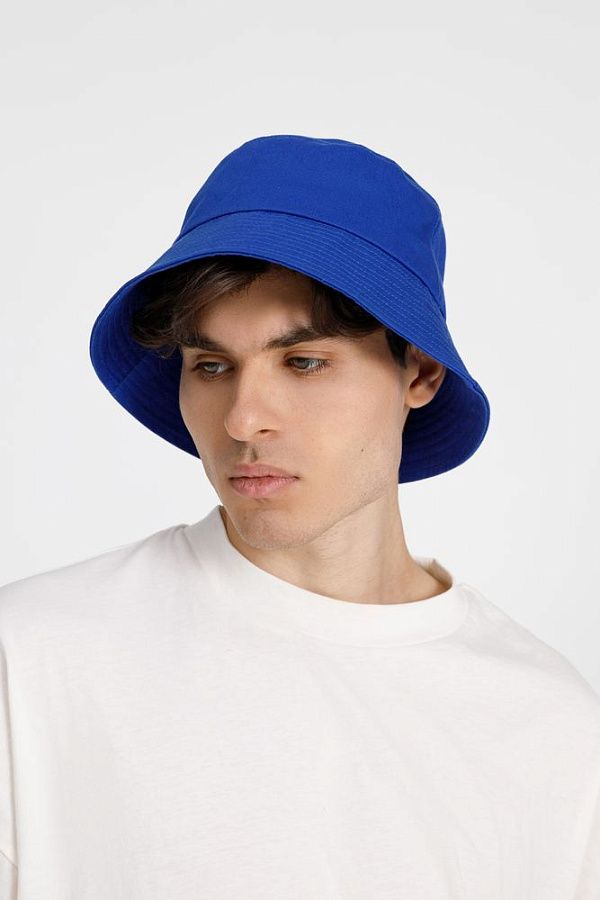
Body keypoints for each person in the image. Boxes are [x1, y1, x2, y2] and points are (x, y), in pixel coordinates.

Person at [1, 134, 599, 899]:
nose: (243, 419)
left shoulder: (551, 728)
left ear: (418, 371)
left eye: (304, 362)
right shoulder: (34, 658)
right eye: (211, 366)